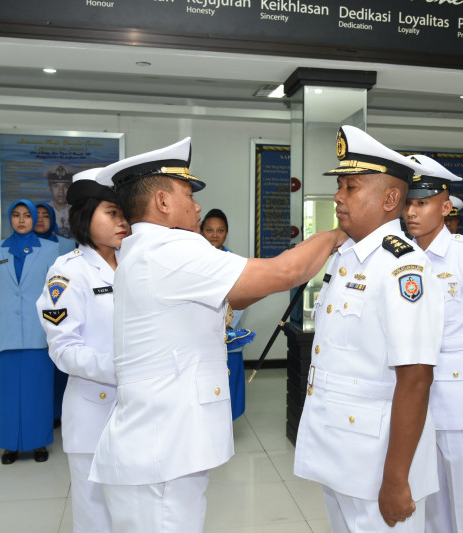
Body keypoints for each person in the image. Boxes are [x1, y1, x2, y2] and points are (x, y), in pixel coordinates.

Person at [88, 137, 348, 533]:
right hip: (160, 459)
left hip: (160, 451)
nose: (195, 206)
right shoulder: (169, 250)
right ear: (161, 202)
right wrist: (333, 236)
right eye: (187, 195)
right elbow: (280, 275)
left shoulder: (144, 250)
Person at [293, 125, 444, 532]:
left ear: (390, 198)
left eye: (351, 187)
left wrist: (396, 478)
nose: (339, 196)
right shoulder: (347, 257)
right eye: (340, 185)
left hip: (379, 463)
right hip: (341, 453)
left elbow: (415, 377)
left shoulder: (401, 266)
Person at [401, 155, 463, 533]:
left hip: (460, 406)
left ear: (444, 206)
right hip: (415, 405)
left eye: (421, 203)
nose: (412, 212)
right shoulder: (402, 257)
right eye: (408, 202)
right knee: (431, 512)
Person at [36, 168, 129, 533]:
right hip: (95, 409)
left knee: (135, 513)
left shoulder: (135, 265)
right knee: (95, 517)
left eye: (124, 214)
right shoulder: (68, 272)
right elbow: (63, 349)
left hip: (139, 408)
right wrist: (122, 368)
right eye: (112, 213)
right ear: (84, 217)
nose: (123, 222)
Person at [0, 200, 60, 464]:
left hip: (39, 334)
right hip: (4, 334)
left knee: (38, 392)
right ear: (9, 219)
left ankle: (38, 443)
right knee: (6, 394)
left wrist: (56, 332)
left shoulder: (51, 249)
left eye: (26, 215)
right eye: (15, 215)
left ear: (34, 218)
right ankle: (9, 445)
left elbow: (55, 296)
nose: (21, 220)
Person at [200, 207, 253, 420]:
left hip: (226, 336)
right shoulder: (194, 260)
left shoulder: (235, 263)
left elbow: (241, 301)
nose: (214, 235)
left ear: (226, 232)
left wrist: (224, 326)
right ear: (200, 231)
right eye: (209, 230)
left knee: (228, 388)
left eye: (220, 231)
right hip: (198, 338)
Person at [34, 201, 77, 427]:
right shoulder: (27, 246)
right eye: (36, 215)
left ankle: (61, 413)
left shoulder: (67, 244)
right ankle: (44, 414)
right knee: (40, 374)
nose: (40, 219)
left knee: (61, 369)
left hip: (63, 314)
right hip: (37, 317)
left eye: (45, 215)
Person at [44, 163, 76, 238]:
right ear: (49, 187)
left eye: (65, 186)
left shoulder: (77, 211)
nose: (60, 191)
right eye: (56, 186)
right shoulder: (44, 211)